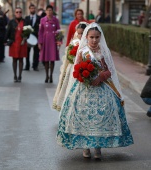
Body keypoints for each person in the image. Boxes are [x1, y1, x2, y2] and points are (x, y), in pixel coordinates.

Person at [56, 22, 133, 159]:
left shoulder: (103, 52)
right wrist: (85, 76)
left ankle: (97, 147)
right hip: (84, 88)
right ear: (87, 37)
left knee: (101, 116)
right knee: (84, 117)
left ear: (100, 38)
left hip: (101, 86)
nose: (94, 40)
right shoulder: (82, 51)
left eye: (97, 37)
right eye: (91, 37)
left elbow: (109, 71)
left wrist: (101, 76)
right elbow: (76, 69)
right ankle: (85, 147)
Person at [53, 22, 88, 111]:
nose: (80, 35)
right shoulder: (74, 42)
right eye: (79, 33)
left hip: (85, 69)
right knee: (72, 90)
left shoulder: (89, 43)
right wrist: (76, 59)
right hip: (73, 70)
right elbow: (69, 56)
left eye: (82, 33)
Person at [38, 5, 61, 83]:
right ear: (45, 11)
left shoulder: (56, 20)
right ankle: (46, 75)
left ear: (52, 11)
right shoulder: (42, 20)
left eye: (50, 10)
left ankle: (51, 75)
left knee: (52, 59)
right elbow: (40, 32)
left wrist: (59, 41)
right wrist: (40, 42)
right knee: (46, 59)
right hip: (45, 41)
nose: (49, 12)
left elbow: (59, 30)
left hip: (53, 41)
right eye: (47, 10)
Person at [5, 7, 27, 82]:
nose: (18, 13)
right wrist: (5, 40)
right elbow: (8, 31)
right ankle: (15, 75)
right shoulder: (11, 22)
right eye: (17, 12)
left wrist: (25, 37)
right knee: (14, 59)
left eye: (20, 12)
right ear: (15, 13)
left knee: (21, 59)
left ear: (22, 13)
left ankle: (20, 75)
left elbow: (29, 31)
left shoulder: (25, 21)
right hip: (14, 43)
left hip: (22, 43)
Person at [24, 4, 40, 71]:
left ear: (35, 9)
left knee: (36, 52)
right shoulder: (26, 18)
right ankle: (27, 66)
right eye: (31, 8)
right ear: (29, 9)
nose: (32, 10)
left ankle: (35, 66)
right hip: (28, 38)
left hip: (36, 37)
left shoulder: (39, 18)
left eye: (33, 8)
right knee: (27, 52)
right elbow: (24, 27)